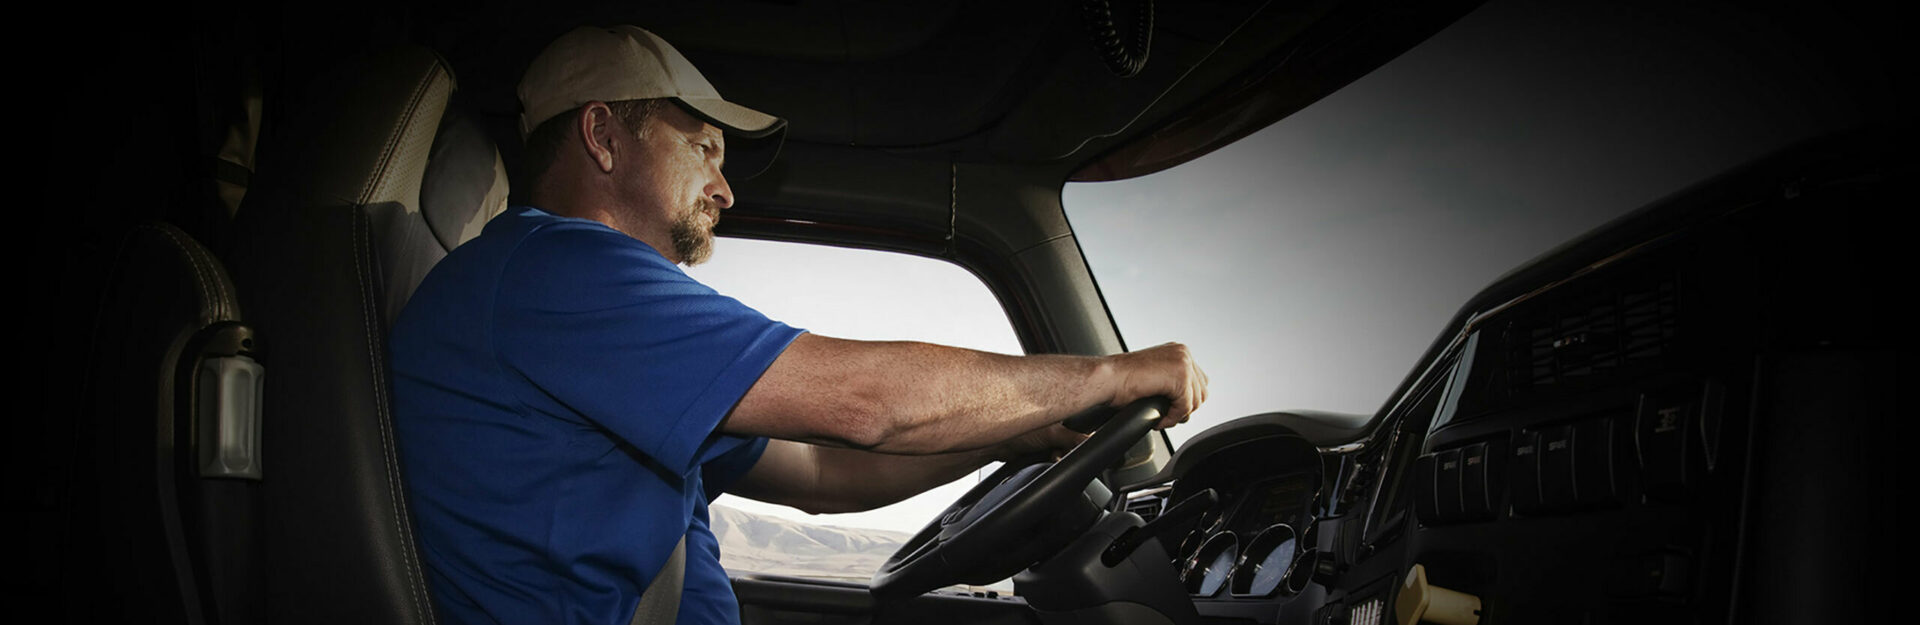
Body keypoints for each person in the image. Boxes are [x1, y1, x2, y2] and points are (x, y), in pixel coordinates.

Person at [390, 25, 1208, 625]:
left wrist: (1012, 437)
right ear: (603, 135)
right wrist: (1109, 374)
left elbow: (819, 470)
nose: (725, 188)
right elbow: (864, 403)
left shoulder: (589, 325)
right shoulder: (555, 270)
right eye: (703, 148)